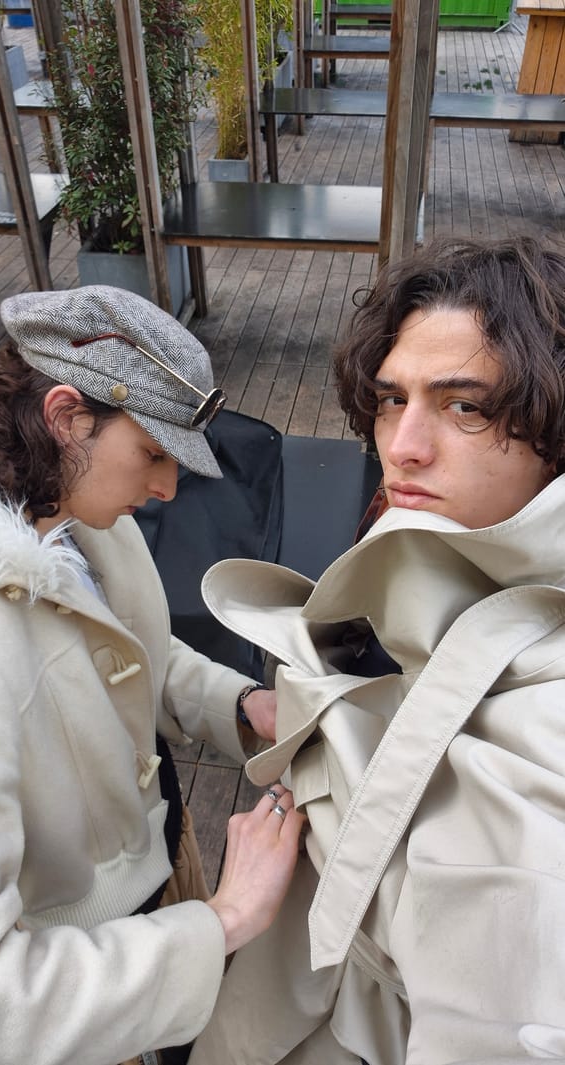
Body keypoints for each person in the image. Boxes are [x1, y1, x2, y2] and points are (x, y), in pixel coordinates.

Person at [188, 236, 565, 1065]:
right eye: (393, 400)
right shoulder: (422, 550)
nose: (402, 447)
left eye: (465, 406)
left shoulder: (544, 720)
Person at [0, 284, 305, 1065]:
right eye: (152, 453)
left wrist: (243, 701)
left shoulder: (76, 515)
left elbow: (129, 652)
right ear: (64, 417)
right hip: (92, 988)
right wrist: (225, 921)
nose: (166, 490)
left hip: (164, 864)